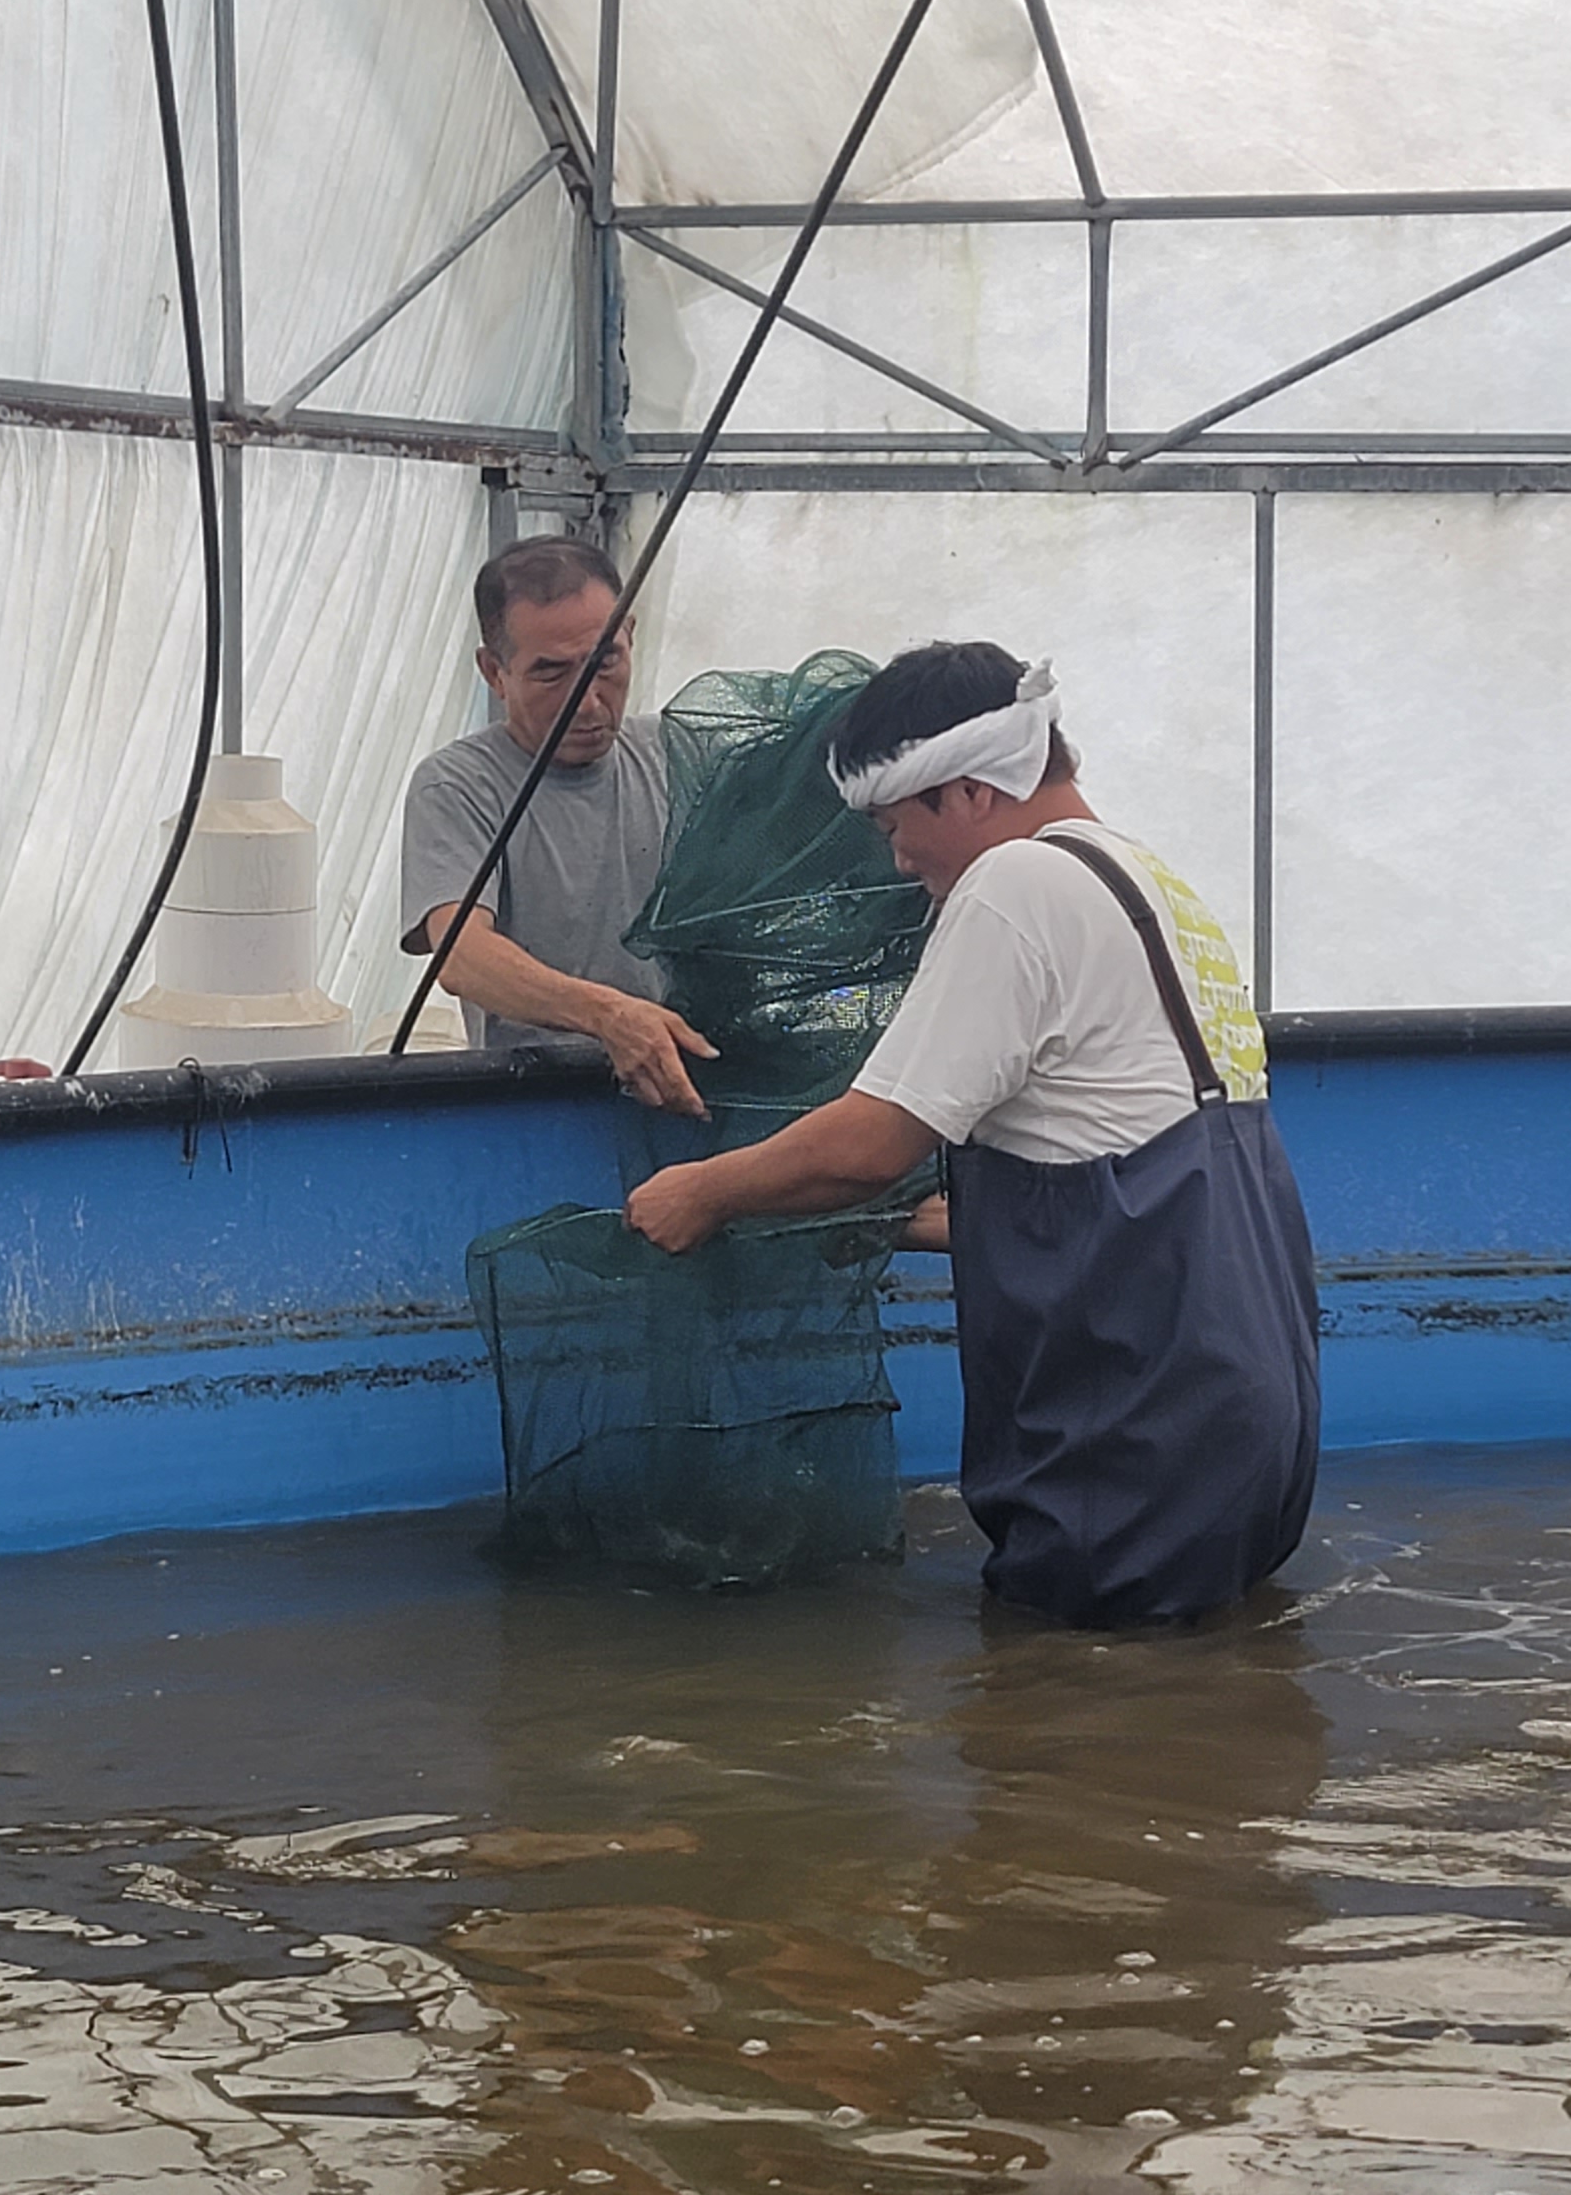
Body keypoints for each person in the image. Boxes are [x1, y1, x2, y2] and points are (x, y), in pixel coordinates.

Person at [624, 641, 1321, 1628]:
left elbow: (867, 1144)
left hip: (1131, 1435)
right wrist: (912, 1225)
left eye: (895, 825)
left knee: (1063, 1732)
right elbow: (1121, 1170)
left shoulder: (1015, 887)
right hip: (1244, 1419)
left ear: (968, 792)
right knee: (1200, 1707)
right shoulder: (1142, 881)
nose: (898, 860)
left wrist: (703, 1192)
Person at [401, 536, 717, 1116]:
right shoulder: (460, 786)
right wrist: (609, 1016)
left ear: (632, 638)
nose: (590, 703)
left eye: (605, 662)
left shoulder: (681, 758)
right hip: (539, 1115)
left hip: (690, 1099)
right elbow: (461, 955)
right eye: (550, 673)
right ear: (494, 672)